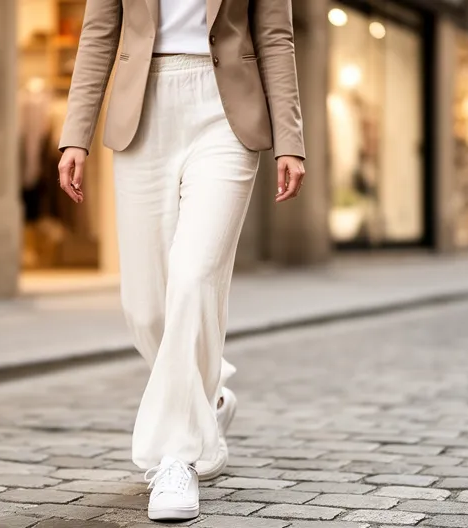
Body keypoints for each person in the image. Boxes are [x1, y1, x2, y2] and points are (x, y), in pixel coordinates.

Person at [57, 0, 306, 521]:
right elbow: (99, 33)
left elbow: (275, 36)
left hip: (225, 112)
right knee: (145, 308)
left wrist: (291, 139)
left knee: (193, 277)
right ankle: (207, 401)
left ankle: (177, 458)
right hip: (142, 111)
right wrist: (75, 134)